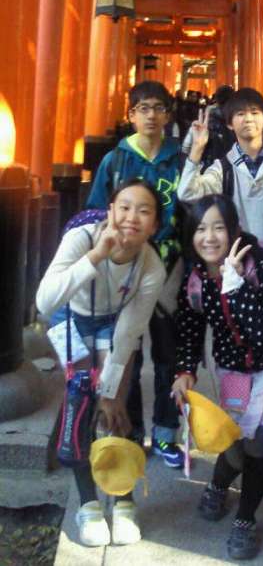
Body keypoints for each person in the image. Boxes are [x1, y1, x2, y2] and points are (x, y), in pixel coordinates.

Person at [37, 179, 166, 547]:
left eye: (144, 211)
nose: (132, 217)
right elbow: (45, 301)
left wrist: (110, 389)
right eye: (124, 207)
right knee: (81, 398)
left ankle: (123, 498)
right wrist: (96, 256)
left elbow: (128, 333)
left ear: (155, 225)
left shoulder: (151, 266)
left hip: (114, 321)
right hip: (69, 315)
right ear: (110, 211)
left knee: (117, 402)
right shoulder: (82, 237)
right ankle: (88, 503)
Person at [172, 194, 263, 560]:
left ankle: (245, 519)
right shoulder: (195, 278)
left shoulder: (260, 262)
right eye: (201, 229)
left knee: (259, 441)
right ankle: (219, 484)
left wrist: (234, 285)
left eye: (219, 227)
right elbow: (190, 329)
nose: (209, 237)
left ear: (234, 230)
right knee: (235, 440)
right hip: (232, 370)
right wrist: (185, 370)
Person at [86, 80, 185, 468]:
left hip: (171, 269)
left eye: (158, 108)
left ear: (168, 115)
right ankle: (129, 431)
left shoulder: (181, 159)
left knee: (168, 355)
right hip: (126, 269)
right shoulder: (115, 161)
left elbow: (193, 211)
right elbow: (96, 213)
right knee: (126, 351)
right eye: (143, 108)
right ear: (130, 115)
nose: (151, 115)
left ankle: (165, 433)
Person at [177, 87, 263, 253]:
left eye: (254, 113)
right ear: (229, 124)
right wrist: (197, 148)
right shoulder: (224, 169)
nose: (248, 119)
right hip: (242, 259)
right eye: (240, 114)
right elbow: (187, 193)